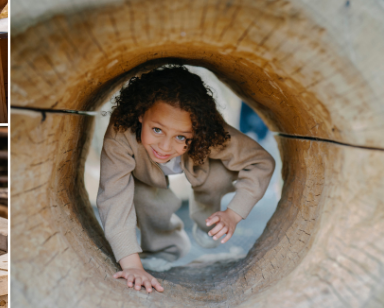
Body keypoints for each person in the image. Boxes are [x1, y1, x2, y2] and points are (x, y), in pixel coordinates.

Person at [97, 66, 275, 293]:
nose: (165, 146)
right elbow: (113, 195)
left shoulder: (210, 132)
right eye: (157, 130)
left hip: (201, 166)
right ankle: (164, 247)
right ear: (141, 114)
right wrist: (132, 265)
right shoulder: (121, 132)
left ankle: (208, 222)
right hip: (143, 174)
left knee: (218, 176)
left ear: (197, 131)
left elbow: (260, 162)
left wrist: (234, 213)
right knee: (144, 198)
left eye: (181, 136)